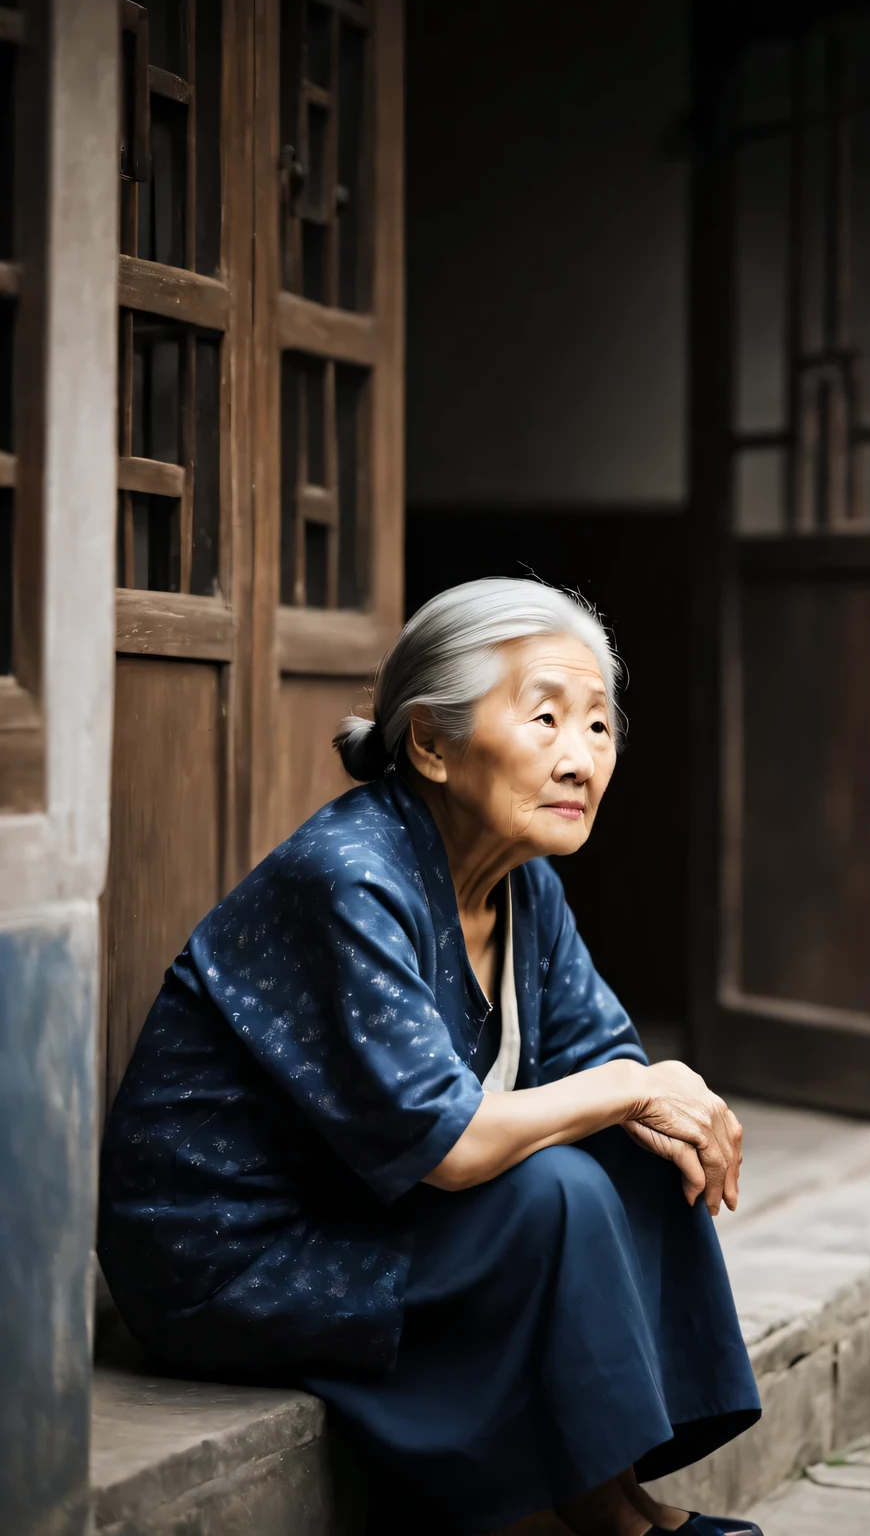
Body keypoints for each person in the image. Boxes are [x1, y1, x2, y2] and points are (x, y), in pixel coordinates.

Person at [98, 578, 763, 1536]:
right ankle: (587, 1516)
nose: (580, 758)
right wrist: (628, 1087)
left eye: (599, 727)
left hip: (367, 1213)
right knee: (559, 1186)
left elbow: (606, 1058)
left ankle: (617, 1496)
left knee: (633, 1148)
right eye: (545, 718)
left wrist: (658, 1091)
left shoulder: (524, 889)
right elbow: (448, 1145)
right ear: (429, 743)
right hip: (230, 1253)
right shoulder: (350, 876)